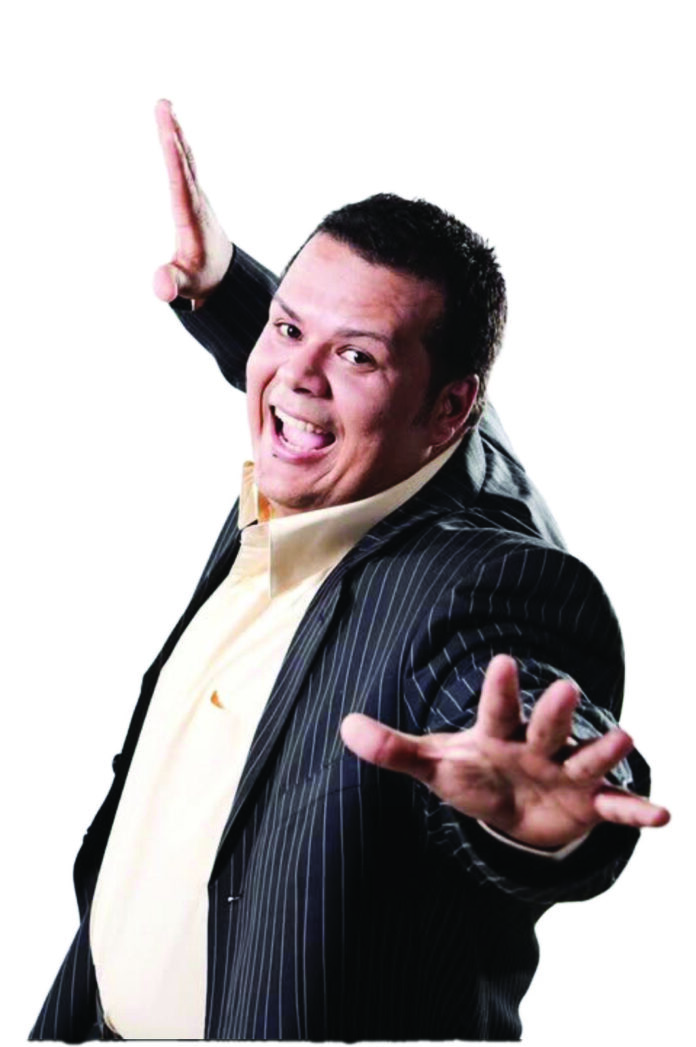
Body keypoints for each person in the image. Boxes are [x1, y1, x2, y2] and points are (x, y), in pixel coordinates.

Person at [30, 101, 669, 1042]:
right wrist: (227, 286)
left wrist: (545, 810)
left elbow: (521, 715)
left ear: (449, 409)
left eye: (357, 357)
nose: (296, 377)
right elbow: (321, 360)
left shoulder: (479, 585)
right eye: (288, 329)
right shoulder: (333, 458)